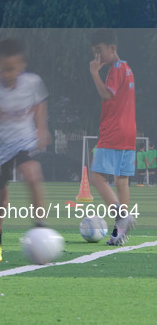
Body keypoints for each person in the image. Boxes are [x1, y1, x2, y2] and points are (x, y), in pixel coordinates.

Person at [0, 38, 51, 262]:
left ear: (22, 66)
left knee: (32, 174)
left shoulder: (32, 82)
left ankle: (40, 229)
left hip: (23, 141)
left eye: (13, 68)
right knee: (0, 199)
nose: (9, 73)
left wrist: (41, 127)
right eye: (4, 68)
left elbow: (40, 101)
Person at [88, 29, 137, 245]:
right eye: (94, 53)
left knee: (97, 177)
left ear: (112, 48)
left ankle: (121, 217)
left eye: (100, 51)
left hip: (113, 132)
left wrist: (94, 72)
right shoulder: (127, 68)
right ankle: (119, 234)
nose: (97, 58)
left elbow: (106, 94)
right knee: (121, 181)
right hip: (129, 132)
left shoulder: (115, 70)